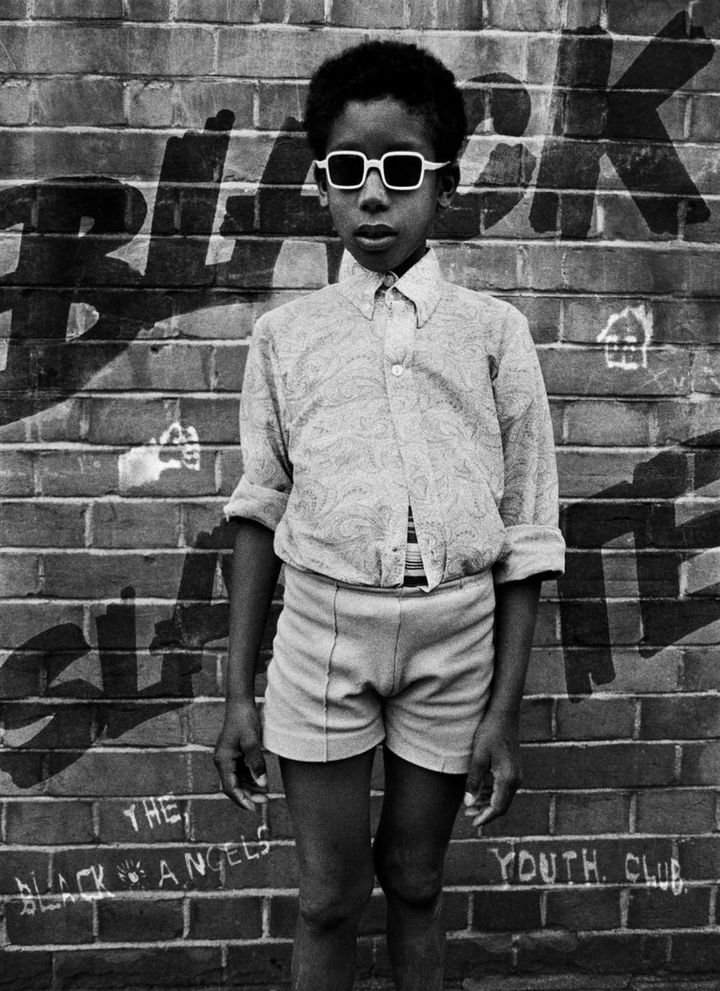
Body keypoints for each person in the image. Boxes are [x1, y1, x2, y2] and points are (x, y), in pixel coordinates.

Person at [214, 39, 565, 991]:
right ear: (321, 183)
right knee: (326, 894)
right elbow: (258, 511)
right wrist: (240, 689)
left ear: (442, 183)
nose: (374, 196)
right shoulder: (286, 337)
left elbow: (529, 534)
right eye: (349, 173)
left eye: (401, 170)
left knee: (414, 880)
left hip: (456, 638)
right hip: (324, 631)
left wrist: (504, 710)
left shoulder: (493, 335)